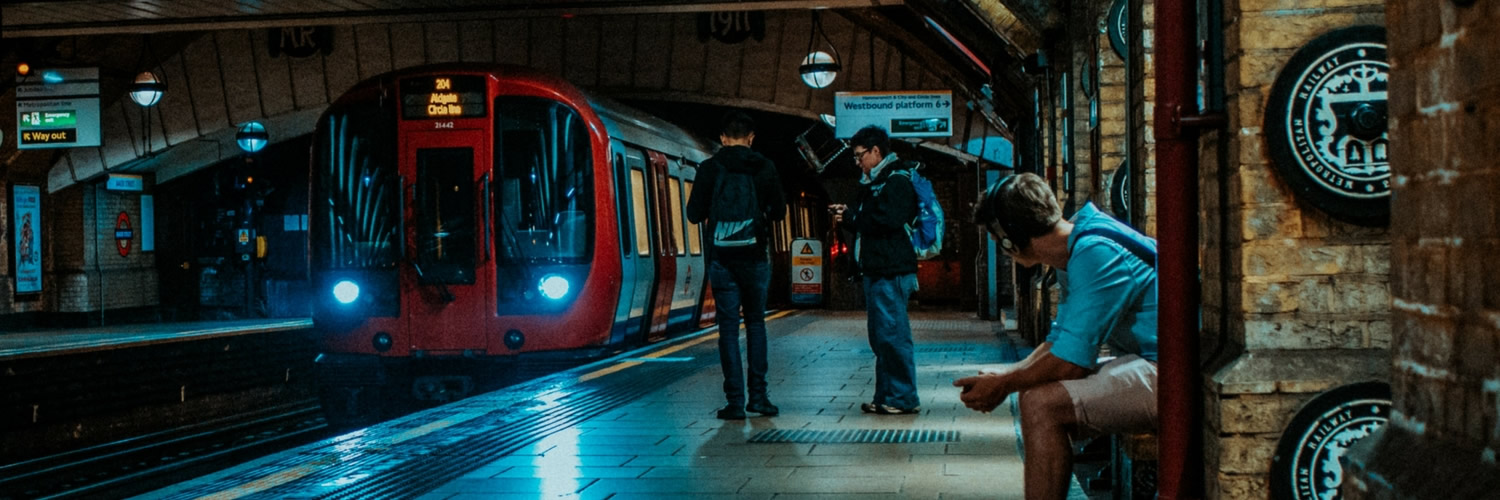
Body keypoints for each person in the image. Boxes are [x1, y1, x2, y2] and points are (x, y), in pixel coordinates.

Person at [954, 172, 1158, 500]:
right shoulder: (1078, 244)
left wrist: (1005, 385)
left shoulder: (1094, 253)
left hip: (1173, 372)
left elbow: (1070, 364)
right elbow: (1060, 339)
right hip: (1150, 360)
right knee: (1033, 393)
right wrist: (1008, 374)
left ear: (1008, 239)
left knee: (1040, 405)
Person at [686, 110, 787, 420]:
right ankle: (759, 397)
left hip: (722, 260)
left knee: (728, 329)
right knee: (756, 323)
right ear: (751, 138)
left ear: (723, 138)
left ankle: (734, 402)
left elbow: (692, 214)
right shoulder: (765, 167)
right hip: (755, 259)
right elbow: (780, 213)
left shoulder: (710, 168)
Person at [831, 125, 921, 415]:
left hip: (890, 271)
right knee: (882, 338)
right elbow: (870, 219)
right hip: (878, 270)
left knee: (893, 337)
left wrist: (853, 217)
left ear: (876, 151)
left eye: (860, 156)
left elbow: (886, 221)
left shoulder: (896, 181)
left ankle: (903, 398)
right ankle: (886, 396)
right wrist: (851, 216)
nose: (858, 162)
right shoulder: (877, 181)